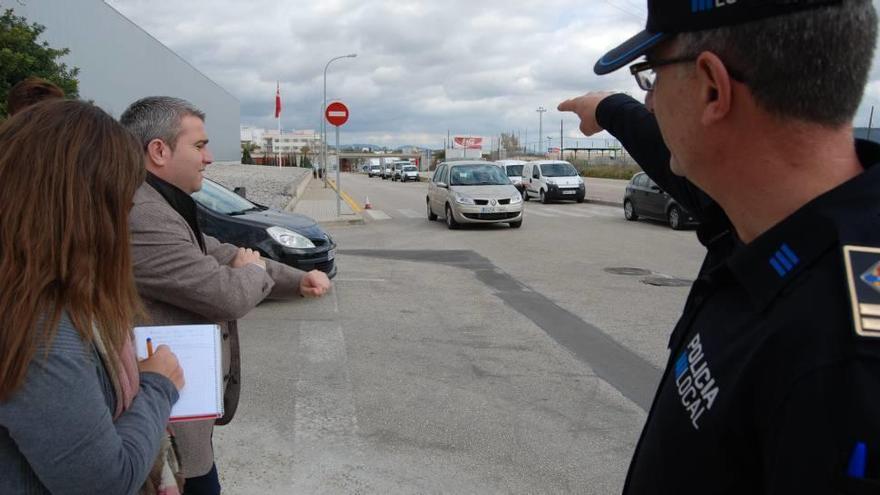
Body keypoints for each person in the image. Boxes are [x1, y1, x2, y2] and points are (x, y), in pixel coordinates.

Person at [560, 0, 880, 493]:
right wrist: (608, 107)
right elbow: (677, 163)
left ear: (713, 87)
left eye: (651, 77)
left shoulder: (845, 365)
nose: (650, 102)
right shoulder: (767, 214)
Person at [120, 96, 332, 494]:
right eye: (199, 146)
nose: (209, 157)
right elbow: (225, 294)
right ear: (159, 151)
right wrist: (251, 271)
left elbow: (222, 252)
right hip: (164, 432)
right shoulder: (142, 213)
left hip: (182, 416)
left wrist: (297, 279)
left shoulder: (162, 203)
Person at [0, 100, 185, 493]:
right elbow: (102, 482)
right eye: (122, 205)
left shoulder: (36, 298)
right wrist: (157, 385)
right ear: (86, 211)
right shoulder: (40, 329)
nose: (125, 223)